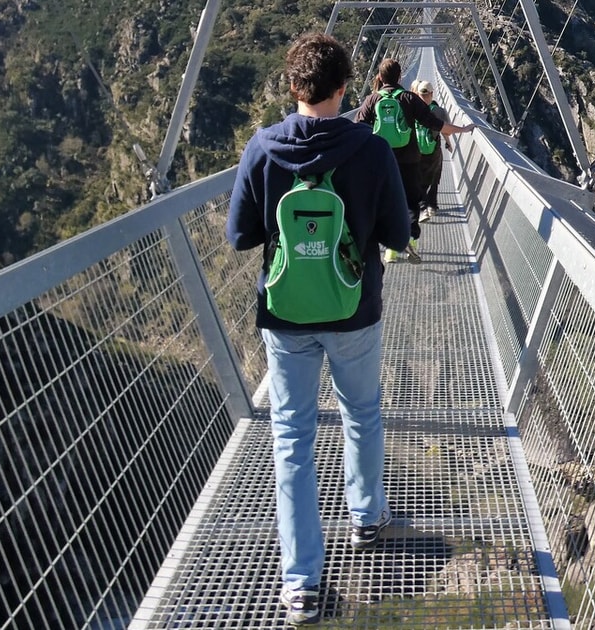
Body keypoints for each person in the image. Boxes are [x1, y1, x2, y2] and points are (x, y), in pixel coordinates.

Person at [226, 32, 410, 626]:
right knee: (362, 413)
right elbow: (399, 235)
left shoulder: (263, 147)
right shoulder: (373, 149)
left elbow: (239, 237)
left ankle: (302, 584)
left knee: (292, 439)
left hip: (285, 318)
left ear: (292, 86)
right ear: (343, 87)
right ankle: (367, 518)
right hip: (354, 311)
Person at [356, 60, 475, 262]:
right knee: (411, 202)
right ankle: (411, 239)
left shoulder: (372, 99)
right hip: (410, 160)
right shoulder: (409, 98)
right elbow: (435, 124)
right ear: (400, 76)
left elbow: (358, 128)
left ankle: (391, 250)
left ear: (379, 76)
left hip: (382, 159)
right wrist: (462, 130)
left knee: (387, 201)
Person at [411, 80, 452, 223]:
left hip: (417, 149)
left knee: (418, 177)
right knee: (435, 175)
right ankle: (432, 205)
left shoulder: (413, 108)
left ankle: (422, 206)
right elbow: (446, 129)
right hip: (434, 148)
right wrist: (449, 143)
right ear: (432, 93)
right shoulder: (438, 110)